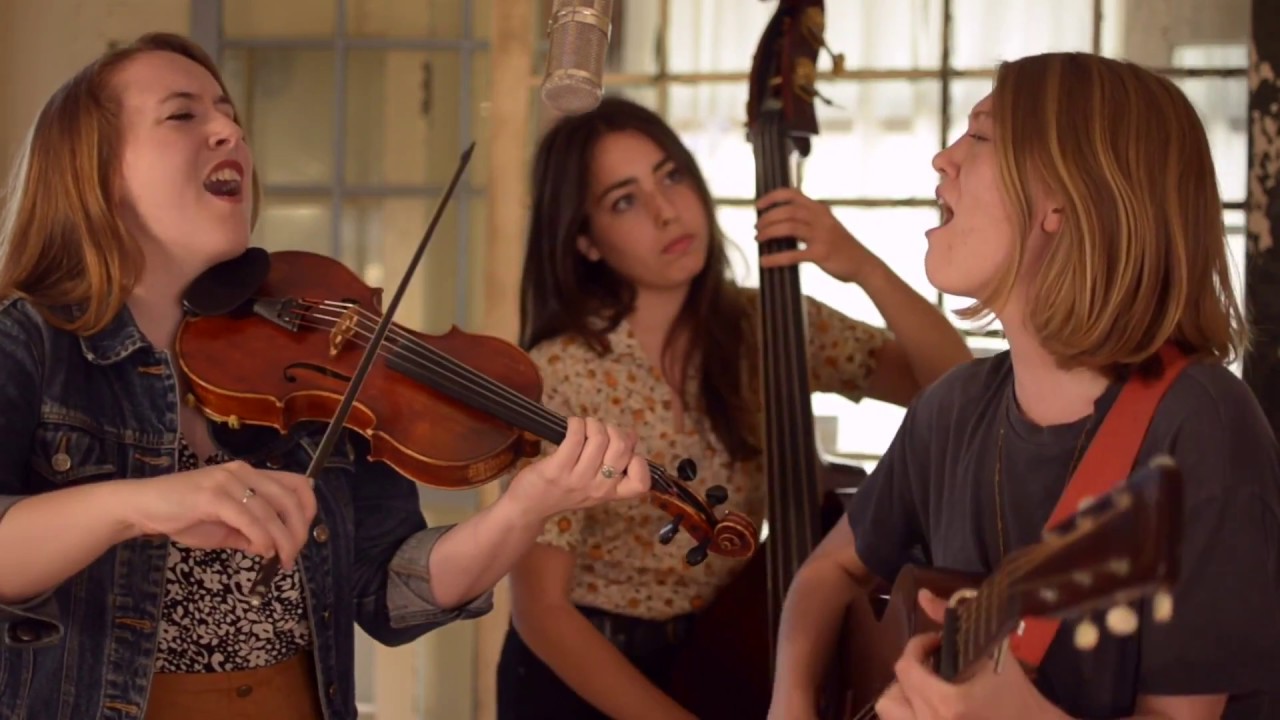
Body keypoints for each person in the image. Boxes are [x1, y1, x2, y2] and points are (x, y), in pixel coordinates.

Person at [0, 32, 654, 720]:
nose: (228, 129)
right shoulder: (31, 344)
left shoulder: (309, 351)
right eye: (183, 114)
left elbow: (392, 588)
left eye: (229, 113)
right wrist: (145, 503)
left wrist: (526, 507)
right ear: (98, 171)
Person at [767, 51, 1280, 720]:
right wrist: (792, 699)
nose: (942, 159)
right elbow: (825, 573)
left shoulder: (1199, 421)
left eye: (980, 136)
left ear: (1063, 201)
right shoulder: (951, 409)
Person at [493, 96, 972, 719]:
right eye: (625, 200)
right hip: (585, 675)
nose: (667, 212)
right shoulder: (563, 373)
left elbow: (954, 387)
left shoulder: (765, 323)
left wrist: (860, 265)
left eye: (671, 176)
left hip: (723, 649)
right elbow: (542, 613)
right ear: (586, 241)